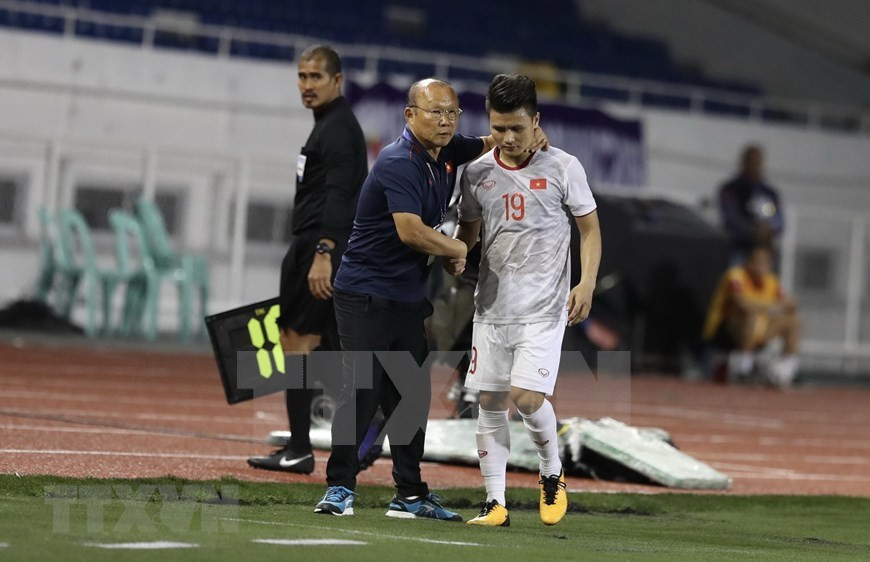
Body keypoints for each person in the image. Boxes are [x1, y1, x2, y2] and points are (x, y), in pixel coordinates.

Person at [313, 78, 548, 520]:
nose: (445, 120)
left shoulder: (444, 150)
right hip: (364, 293)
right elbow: (410, 231)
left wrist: (526, 134)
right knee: (363, 389)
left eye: (452, 112)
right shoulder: (398, 161)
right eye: (435, 112)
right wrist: (458, 248)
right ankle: (339, 488)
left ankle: (409, 494)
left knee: (411, 397)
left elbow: (489, 140)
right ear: (409, 115)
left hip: (404, 296)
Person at [452, 74, 601, 527]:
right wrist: (456, 252)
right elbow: (471, 229)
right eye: (499, 128)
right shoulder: (476, 172)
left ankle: (551, 471)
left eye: (517, 128)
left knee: (527, 398)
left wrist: (587, 281)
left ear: (536, 122)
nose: (508, 138)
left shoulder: (563, 167)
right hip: (492, 306)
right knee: (491, 403)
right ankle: (495, 502)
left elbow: (590, 230)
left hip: (543, 307)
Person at [247, 45, 368, 474]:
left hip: (319, 247)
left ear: (338, 80)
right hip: (319, 245)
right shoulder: (330, 126)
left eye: (316, 77)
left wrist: (323, 252)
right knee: (328, 350)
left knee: (298, 343)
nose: (307, 85)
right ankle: (365, 430)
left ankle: (303, 448)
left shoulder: (336, 130)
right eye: (302, 76)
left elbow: (339, 196)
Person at [702, 244, 800, 387]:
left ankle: (786, 370)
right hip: (726, 330)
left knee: (793, 321)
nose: (761, 266)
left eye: (766, 262)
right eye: (757, 261)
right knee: (750, 315)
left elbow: (790, 304)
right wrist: (773, 305)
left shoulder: (771, 281)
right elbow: (742, 304)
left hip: (757, 330)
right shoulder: (736, 276)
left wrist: (784, 304)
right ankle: (744, 368)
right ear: (748, 262)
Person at [719, 145, 784, 262]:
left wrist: (768, 228)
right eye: (750, 162)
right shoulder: (731, 189)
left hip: (764, 253)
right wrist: (753, 230)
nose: (754, 166)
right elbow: (731, 219)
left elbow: (778, 221)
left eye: (757, 163)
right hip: (738, 249)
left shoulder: (769, 193)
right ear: (743, 162)